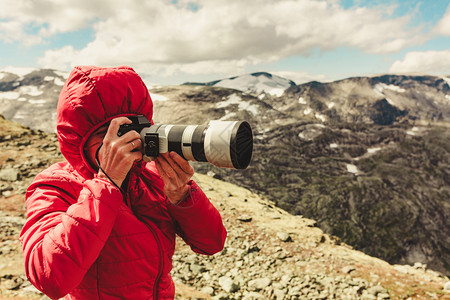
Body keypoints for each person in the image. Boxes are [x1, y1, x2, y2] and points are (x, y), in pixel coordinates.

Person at [19, 66, 227, 299]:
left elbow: (212, 243)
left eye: (134, 128)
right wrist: (106, 184)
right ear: (79, 138)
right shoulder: (55, 186)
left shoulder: (153, 176)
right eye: (107, 133)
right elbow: (49, 278)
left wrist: (182, 197)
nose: (125, 142)